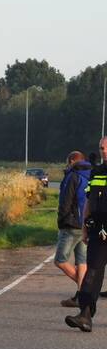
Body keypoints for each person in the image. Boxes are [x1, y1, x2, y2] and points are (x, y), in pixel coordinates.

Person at [67, 137, 107, 331]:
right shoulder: (96, 172)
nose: (104, 151)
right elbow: (89, 202)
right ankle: (85, 315)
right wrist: (84, 228)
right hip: (99, 230)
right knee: (92, 272)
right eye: (101, 148)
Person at [56, 151, 91, 307]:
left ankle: (86, 291)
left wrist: (61, 221)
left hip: (71, 225)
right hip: (86, 224)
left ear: (71, 161)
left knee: (60, 260)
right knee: (82, 261)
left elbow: (66, 201)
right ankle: (81, 297)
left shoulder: (72, 176)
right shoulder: (91, 174)